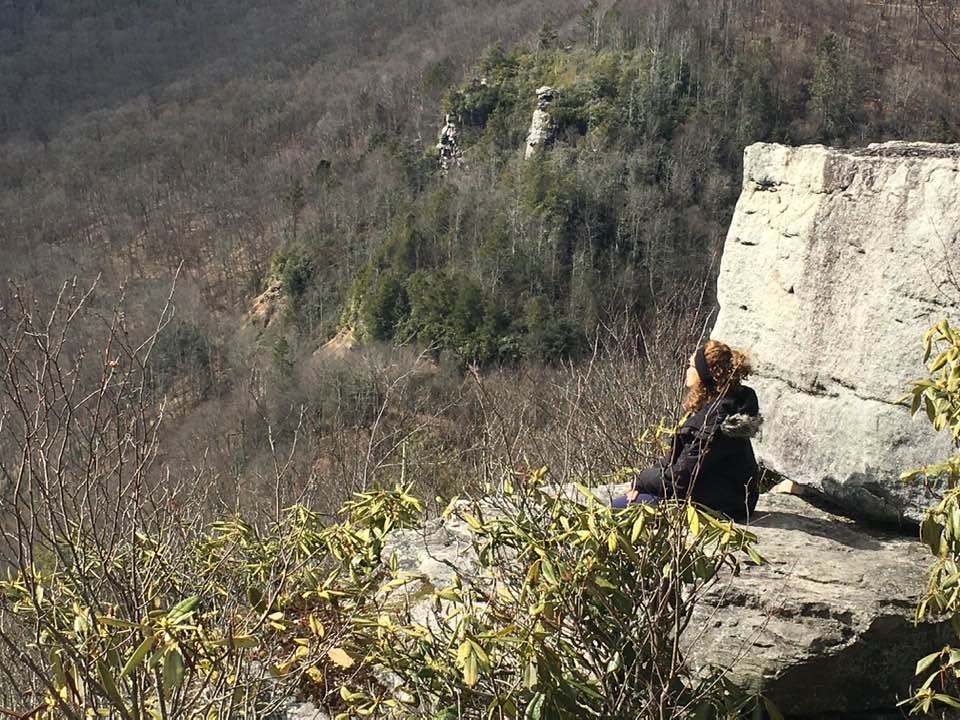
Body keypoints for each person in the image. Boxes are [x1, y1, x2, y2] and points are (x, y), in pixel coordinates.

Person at [611, 340, 763, 523]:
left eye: (691, 366)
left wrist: (641, 482)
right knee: (625, 503)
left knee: (618, 508)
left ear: (707, 374)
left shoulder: (715, 422)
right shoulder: (718, 407)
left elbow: (679, 480)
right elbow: (678, 459)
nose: (687, 370)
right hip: (726, 496)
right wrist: (643, 483)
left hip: (725, 505)